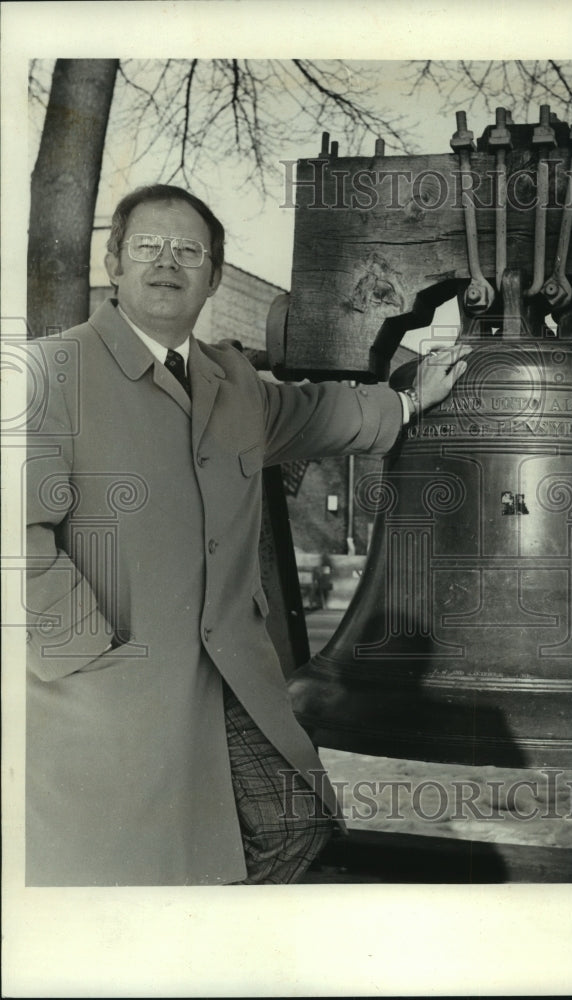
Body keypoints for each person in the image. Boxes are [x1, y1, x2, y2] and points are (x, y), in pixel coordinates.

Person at [24, 184, 470, 886]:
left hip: (228, 676)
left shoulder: (230, 380)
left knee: (293, 826)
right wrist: (85, 653)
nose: (167, 262)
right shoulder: (50, 373)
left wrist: (411, 399)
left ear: (213, 276)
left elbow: (316, 414)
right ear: (114, 263)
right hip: (108, 696)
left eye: (189, 251)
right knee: (128, 872)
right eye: (147, 246)